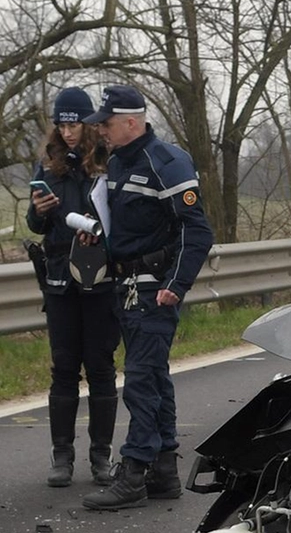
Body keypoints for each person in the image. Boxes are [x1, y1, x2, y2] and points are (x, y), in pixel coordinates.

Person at [80, 85, 214, 511]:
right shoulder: (118, 162)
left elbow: (198, 231)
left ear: (131, 122)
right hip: (126, 286)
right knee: (153, 378)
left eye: (106, 123)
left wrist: (177, 285)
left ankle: (133, 472)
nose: (100, 130)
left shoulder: (167, 163)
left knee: (140, 380)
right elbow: (128, 228)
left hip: (156, 289)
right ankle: (164, 471)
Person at [26, 87, 119, 488]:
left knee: (100, 367)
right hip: (60, 279)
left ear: (89, 125)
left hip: (100, 278)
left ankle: (101, 456)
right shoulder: (46, 167)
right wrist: (38, 211)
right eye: (62, 124)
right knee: (63, 367)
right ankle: (61, 456)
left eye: (74, 123)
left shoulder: (107, 163)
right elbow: (35, 225)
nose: (67, 132)